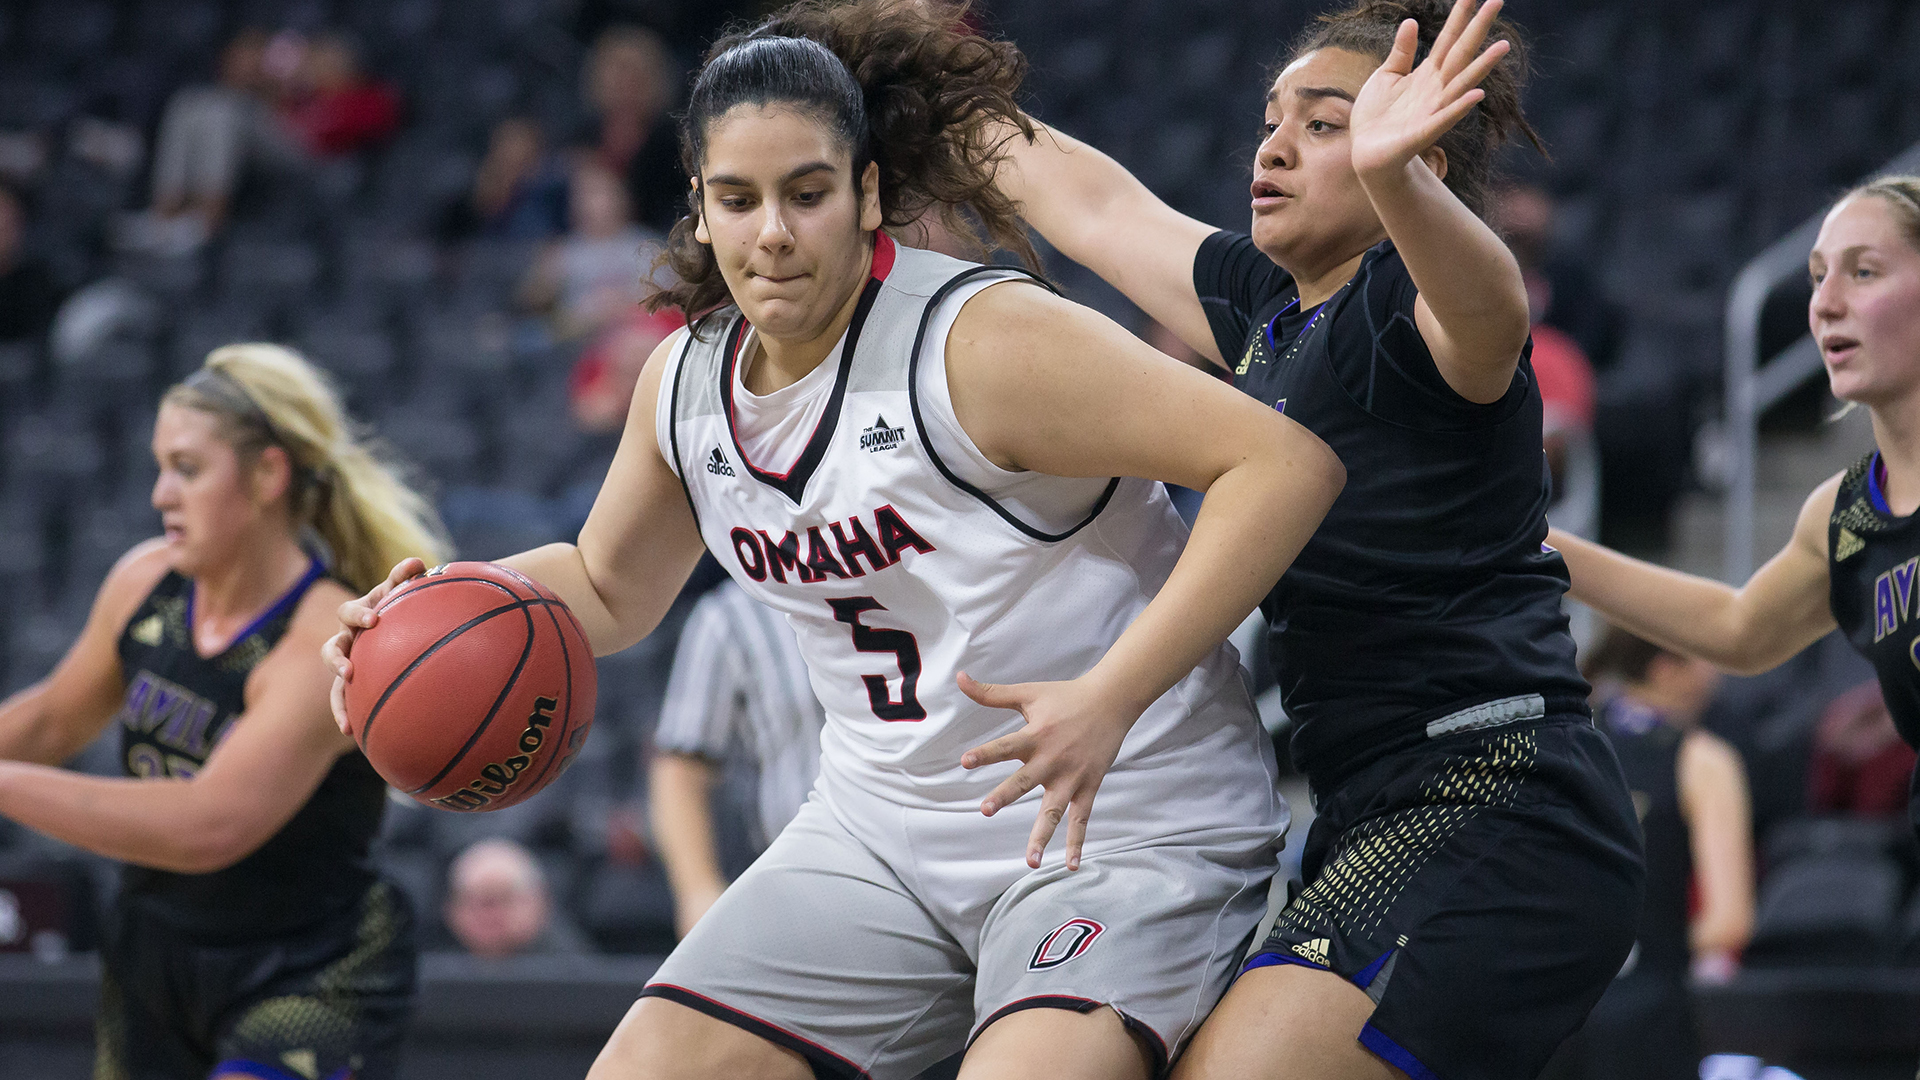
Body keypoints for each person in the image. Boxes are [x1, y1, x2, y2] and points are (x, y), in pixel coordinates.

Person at [326, 3, 1345, 1078]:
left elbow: (1283, 465)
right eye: (739, 199)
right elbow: (603, 586)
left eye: (807, 194)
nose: (773, 231)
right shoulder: (683, 386)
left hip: (1122, 824)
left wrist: (1115, 692)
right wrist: (430, 606)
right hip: (880, 836)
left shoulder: (982, 342)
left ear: (866, 194)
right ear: (699, 209)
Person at [987, 1, 1644, 1078]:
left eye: (1324, 123)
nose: (1275, 146)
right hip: (1361, 808)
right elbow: (1089, 204)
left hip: (1499, 794)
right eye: (1269, 119)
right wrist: (894, 66)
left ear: (1418, 151)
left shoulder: (1416, 309)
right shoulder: (1268, 311)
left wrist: (1399, 179)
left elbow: (1491, 311)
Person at [0, 344, 451, 1080]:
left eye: (186, 468)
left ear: (268, 474)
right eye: (159, 467)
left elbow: (209, 825)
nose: (159, 495)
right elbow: (53, 721)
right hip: (156, 946)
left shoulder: (322, 641)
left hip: (309, 964)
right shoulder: (143, 581)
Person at [1545, 176, 1920, 865]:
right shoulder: (1845, 513)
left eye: (1864, 272)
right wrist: (1535, 546)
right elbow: (1740, 629)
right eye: (1815, 277)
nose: (1826, 302)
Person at [1550, 627, 1753, 1080]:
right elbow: (1729, 920)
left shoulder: (1558, 740)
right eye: (1704, 656)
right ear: (1665, 669)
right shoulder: (1703, 759)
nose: (1714, 672)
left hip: (1543, 1004)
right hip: (1642, 1009)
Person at [649, 579, 827, 938]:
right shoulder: (731, 615)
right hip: (797, 880)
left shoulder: (923, 579)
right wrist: (697, 890)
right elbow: (681, 766)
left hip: (925, 857)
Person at [443, 837, 592, 958]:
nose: (490, 915)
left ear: (539, 902)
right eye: (479, 902)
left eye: (504, 899)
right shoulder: (432, 962)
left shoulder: (571, 970)